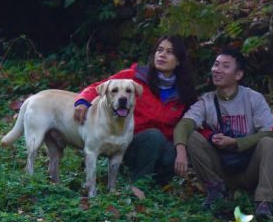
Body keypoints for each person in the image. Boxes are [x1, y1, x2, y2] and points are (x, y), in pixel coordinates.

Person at [73, 36, 196, 184]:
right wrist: (83, 101)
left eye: (169, 52)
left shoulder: (183, 92)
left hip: (159, 146)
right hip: (127, 141)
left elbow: (188, 122)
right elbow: (98, 87)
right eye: (159, 50)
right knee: (154, 136)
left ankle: (154, 184)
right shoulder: (133, 77)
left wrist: (182, 149)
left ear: (178, 61)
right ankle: (137, 185)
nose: (162, 55)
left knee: (171, 154)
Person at [174, 46, 273, 217]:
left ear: (238, 75)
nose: (217, 70)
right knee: (192, 136)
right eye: (216, 65)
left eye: (225, 66)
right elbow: (184, 124)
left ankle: (264, 201)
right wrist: (180, 150)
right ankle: (215, 190)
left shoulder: (253, 98)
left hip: (249, 167)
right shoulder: (207, 101)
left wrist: (237, 142)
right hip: (221, 169)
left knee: (269, 143)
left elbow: (272, 132)